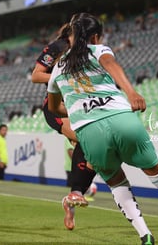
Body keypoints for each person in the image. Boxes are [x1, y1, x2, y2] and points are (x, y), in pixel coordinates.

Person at [47, 14, 158, 244]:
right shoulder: (98, 50)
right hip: (121, 118)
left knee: (117, 183)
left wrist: (78, 109)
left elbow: (53, 108)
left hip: (90, 131)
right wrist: (131, 92)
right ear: (96, 37)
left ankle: (145, 235)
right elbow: (111, 64)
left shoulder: (59, 67)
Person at [31, 14, 96, 231]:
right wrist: (61, 76)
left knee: (93, 150)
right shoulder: (58, 46)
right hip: (57, 107)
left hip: (80, 106)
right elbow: (36, 75)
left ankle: (73, 199)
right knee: (88, 140)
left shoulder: (85, 51)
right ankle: (76, 192)